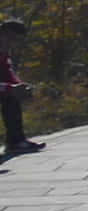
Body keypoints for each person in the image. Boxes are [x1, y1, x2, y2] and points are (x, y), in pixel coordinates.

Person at [1, 17, 45, 157]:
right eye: (12, 38)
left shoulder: (4, 52)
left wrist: (20, 86)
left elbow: (8, 74)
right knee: (10, 93)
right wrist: (9, 88)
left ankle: (15, 141)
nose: (13, 43)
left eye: (16, 40)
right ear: (5, 32)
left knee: (12, 98)